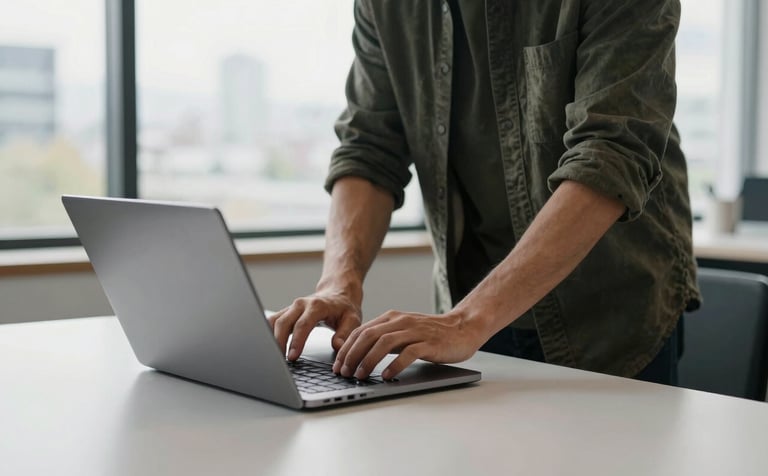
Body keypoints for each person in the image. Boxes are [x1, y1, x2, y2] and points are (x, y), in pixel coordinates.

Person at [269, 0, 701, 385]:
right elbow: (369, 148)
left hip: (607, 321)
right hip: (467, 321)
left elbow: (611, 154)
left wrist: (466, 322)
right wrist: (338, 286)